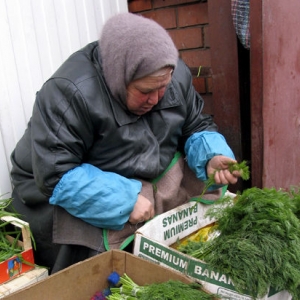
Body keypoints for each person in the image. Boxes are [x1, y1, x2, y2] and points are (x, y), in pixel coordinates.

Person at [9, 12, 241, 274]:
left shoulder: (173, 73)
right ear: (119, 77)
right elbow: (55, 175)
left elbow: (195, 125)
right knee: (94, 233)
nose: (155, 99)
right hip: (53, 182)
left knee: (195, 180)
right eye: (145, 91)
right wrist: (124, 201)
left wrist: (211, 155)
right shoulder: (69, 92)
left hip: (134, 164)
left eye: (162, 87)